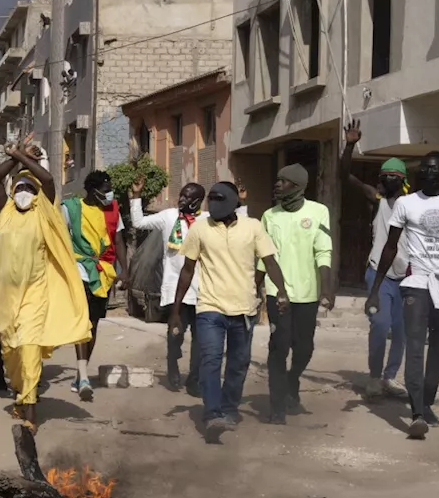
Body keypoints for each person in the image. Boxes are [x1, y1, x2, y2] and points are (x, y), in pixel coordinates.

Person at [0, 121, 90, 433]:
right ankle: (21, 394)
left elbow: (48, 179)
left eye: (31, 189)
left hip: (34, 298)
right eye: (20, 187)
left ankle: (30, 414)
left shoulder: (45, 212)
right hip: (5, 300)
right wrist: (14, 157)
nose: (25, 192)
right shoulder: (5, 211)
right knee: (11, 353)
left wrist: (24, 158)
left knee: (29, 351)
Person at [367, 152, 439, 440]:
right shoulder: (406, 203)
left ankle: (426, 400)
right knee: (415, 345)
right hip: (416, 283)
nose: (430, 174)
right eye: (425, 169)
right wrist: (376, 289)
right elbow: (390, 247)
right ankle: (417, 412)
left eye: (435, 169)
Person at [171, 182, 289, 444]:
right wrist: (176, 311)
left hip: (245, 309)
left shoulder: (254, 227)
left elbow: (270, 261)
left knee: (238, 364)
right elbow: (187, 270)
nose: (215, 207)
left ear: (235, 203)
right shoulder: (200, 228)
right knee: (210, 361)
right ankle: (213, 415)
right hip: (209, 307)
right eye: (211, 202)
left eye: (221, 202)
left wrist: (281, 291)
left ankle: (229, 408)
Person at [257, 164, 334, 424]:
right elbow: (264, 258)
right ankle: (277, 406)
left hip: (308, 294)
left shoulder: (318, 211)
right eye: (277, 180)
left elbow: (323, 251)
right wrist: (254, 288)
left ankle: (293, 378)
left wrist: (326, 287)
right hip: (277, 292)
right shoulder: (269, 216)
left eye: (284, 181)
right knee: (279, 347)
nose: (277, 184)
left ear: (298, 185)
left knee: (304, 348)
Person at [340, 120, 410, 400]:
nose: (390, 179)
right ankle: (373, 377)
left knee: (401, 331)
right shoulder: (376, 199)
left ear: (403, 180)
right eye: (386, 175)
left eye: (396, 175)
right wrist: (349, 145)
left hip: (407, 276)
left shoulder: (413, 203)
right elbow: (345, 176)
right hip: (377, 275)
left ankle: (390, 377)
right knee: (380, 326)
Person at [129, 178, 206, 393]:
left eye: (188, 196)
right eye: (181, 194)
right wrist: (136, 196)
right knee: (175, 334)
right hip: (175, 289)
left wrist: (242, 204)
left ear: (198, 200)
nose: (182, 199)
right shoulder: (169, 216)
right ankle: (173, 366)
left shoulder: (208, 220)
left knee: (201, 340)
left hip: (202, 290)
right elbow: (139, 222)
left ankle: (194, 378)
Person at [61, 171, 129, 401]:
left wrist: (125, 271)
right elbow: (59, 238)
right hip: (79, 270)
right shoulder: (71, 208)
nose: (109, 194)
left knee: (93, 324)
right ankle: (83, 377)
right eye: (105, 189)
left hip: (103, 273)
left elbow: (119, 240)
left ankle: (81, 374)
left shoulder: (113, 210)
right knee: (83, 321)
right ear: (92, 190)